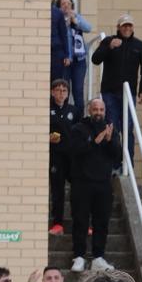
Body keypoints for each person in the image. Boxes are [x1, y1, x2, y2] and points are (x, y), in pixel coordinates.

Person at [68, 97, 121, 272]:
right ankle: (79, 256)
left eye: (101, 110)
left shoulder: (111, 130)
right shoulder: (78, 128)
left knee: (102, 222)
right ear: (89, 110)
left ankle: (98, 256)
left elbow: (118, 157)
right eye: (95, 109)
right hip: (81, 183)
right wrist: (95, 142)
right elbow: (75, 151)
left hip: (103, 184)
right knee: (80, 220)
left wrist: (109, 140)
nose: (98, 113)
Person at [91, 13, 142, 142]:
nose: (127, 28)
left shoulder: (139, 45)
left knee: (128, 129)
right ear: (118, 27)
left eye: (129, 26)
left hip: (129, 94)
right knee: (112, 127)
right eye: (124, 26)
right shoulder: (108, 41)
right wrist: (109, 46)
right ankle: (114, 161)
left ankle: (128, 162)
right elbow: (95, 59)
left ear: (133, 27)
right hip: (109, 93)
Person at [49, 79, 79, 234]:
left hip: (72, 156)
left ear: (68, 94)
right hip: (55, 157)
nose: (61, 93)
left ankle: (80, 222)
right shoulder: (46, 109)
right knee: (57, 190)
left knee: (77, 190)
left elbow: (80, 132)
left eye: (64, 90)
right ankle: (57, 223)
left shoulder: (74, 110)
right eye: (58, 90)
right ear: (52, 92)